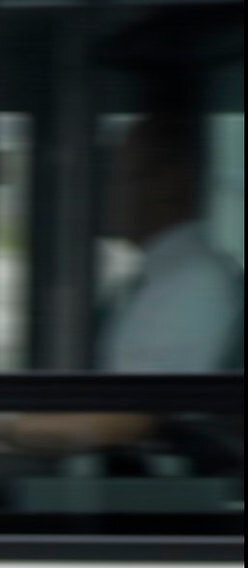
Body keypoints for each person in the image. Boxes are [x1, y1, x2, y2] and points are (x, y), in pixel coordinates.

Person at [97, 112, 241, 374]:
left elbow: (138, 407)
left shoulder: (198, 285)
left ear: (167, 182)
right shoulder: (157, 281)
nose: (112, 195)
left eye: (125, 178)